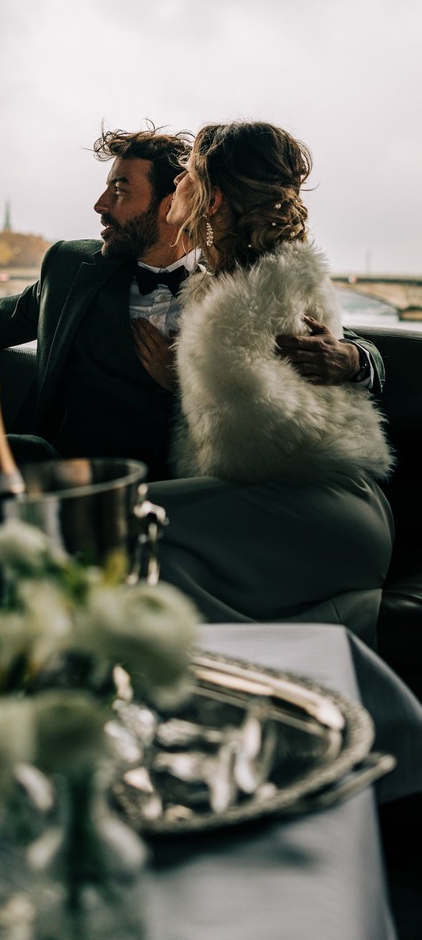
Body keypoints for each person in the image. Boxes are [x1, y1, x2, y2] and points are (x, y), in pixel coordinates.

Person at [0, 124, 383, 482]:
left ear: (171, 202)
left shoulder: (237, 277)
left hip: (189, 482)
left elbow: (323, 340)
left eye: (120, 190)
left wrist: (359, 361)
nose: (99, 204)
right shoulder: (71, 267)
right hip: (70, 473)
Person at [147, 120, 394, 643]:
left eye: (186, 175)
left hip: (318, 504)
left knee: (126, 526)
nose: (175, 186)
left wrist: (356, 356)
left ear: (213, 202)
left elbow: (249, 436)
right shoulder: (233, 280)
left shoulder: (265, 287)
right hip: (299, 499)